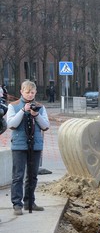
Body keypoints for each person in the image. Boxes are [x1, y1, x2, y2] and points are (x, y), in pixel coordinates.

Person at [6, 80, 50, 215]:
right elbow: (11, 124)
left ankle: (29, 202)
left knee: (32, 176)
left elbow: (45, 126)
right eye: (27, 92)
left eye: (32, 92)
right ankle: (17, 204)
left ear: (35, 92)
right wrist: (22, 111)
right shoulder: (13, 106)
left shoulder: (40, 107)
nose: (30, 95)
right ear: (21, 92)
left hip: (35, 146)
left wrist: (36, 115)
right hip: (19, 145)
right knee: (18, 175)